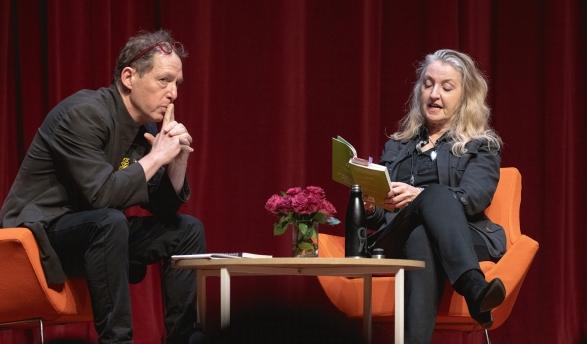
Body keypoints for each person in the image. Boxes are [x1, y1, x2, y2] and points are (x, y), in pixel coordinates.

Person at [0, 30, 206, 343]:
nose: (173, 93)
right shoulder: (83, 114)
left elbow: (163, 208)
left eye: (177, 83)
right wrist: (157, 157)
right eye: (164, 80)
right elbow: (102, 195)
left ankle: (183, 338)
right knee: (109, 221)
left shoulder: (143, 131)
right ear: (129, 77)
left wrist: (176, 161)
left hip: (97, 234)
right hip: (38, 236)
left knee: (185, 230)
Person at [363, 49, 506, 343]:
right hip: (394, 236)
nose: (434, 94)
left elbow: (472, 198)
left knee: (422, 233)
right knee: (420, 219)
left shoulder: (481, 146)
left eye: (446, 87)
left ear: (465, 97)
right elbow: (380, 215)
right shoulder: (397, 146)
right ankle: (475, 289)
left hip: (461, 234)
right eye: (428, 84)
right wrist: (369, 202)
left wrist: (421, 196)